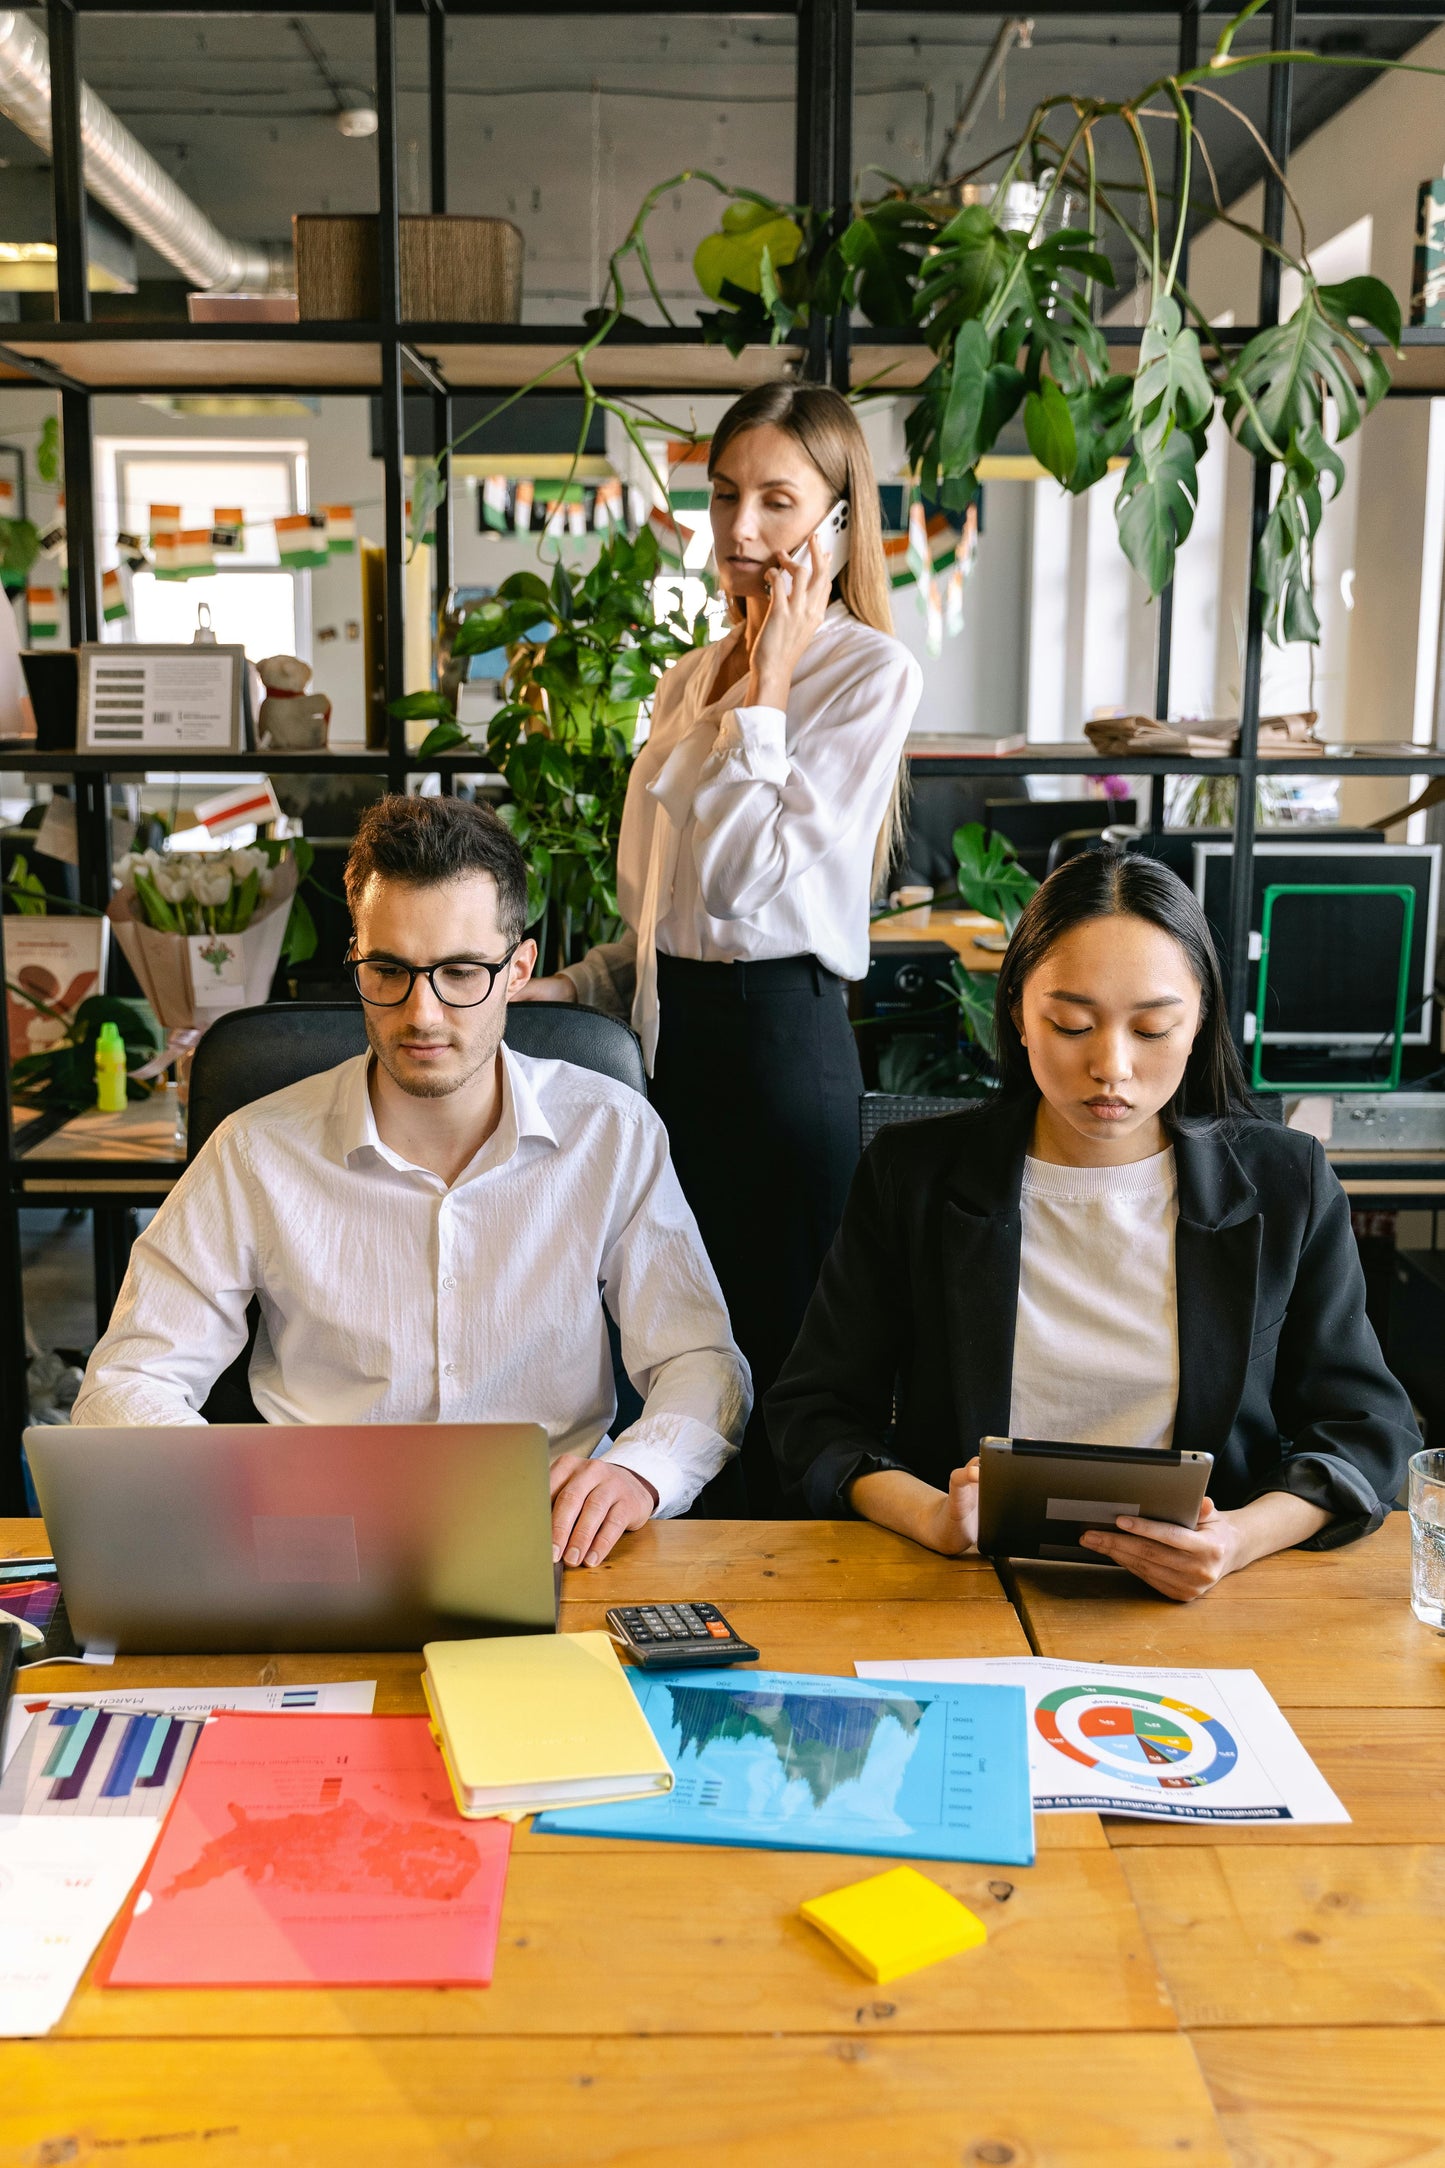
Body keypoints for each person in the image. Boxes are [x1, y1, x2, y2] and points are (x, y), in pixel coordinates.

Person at [74, 795, 749, 1569]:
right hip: (314, 1545)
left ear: (518, 971)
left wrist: (640, 1470)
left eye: (461, 971)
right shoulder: (256, 1150)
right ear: (356, 960)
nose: (422, 1014)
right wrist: (241, 1497)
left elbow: (701, 1359)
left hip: (550, 1537)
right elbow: (126, 1380)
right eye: (388, 970)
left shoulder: (611, 1131)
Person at [767, 847, 1420, 1599]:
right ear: (1014, 1010)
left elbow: (1369, 1425)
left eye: (1150, 1030)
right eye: (1071, 1025)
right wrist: (932, 1517)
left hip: (1206, 1603)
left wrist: (1239, 1537)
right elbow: (813, 1415)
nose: (1110, 1066)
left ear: (1199, 1018)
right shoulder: (912, 1176)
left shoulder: (1284, 1182)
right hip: (959, 1590)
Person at [518, 383, 922, 1511]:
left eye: (778, 501)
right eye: (724, 495)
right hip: (667, 1051)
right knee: (669, 1344)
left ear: (838, 524)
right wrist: (575, 980)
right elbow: (662, 905)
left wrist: (776, 679)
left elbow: (746, 884)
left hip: (777, 1051)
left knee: (782, 1354)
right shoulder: (686, 678)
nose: (741, 531)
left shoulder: (866, 675)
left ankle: (783, 1610)